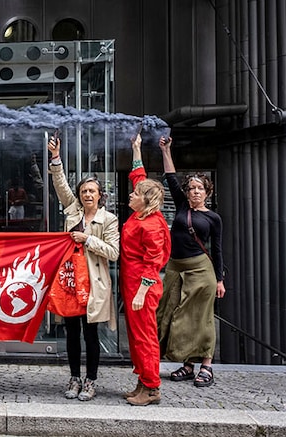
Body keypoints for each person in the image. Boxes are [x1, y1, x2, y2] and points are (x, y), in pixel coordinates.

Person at [47, 137, 119, 401]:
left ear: (100, 195)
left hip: (93, 283)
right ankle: (74, 377)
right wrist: (56, 157)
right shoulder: (72, 210)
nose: (87, 195)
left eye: (92, 191)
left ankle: (91, 380)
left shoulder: (108, 219)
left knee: (91, 334)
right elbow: (60, 184)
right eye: (84, 191)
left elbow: (114, 252)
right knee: (72, 333)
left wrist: (88, 240)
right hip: (70, 281)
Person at [157, 136, 225, 387]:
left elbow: (216, 250)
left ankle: (206, 365)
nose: (195, 192)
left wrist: (219, 279)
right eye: (192, 188)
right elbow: (171, 178)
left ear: (208, 192)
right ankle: (187, 364)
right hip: (176, 267)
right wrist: (166, 150)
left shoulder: (213, 218)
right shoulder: (182, 205)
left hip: (200, 270)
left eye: (200, 189)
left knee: (202, 317)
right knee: (173, 313)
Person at [120, 134, 171, 406]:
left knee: (145, 337)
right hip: (132, 284)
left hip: (142, 288)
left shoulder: (151, 226)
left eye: (136, 194)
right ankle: (142, 382)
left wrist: (142, 291)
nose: (132, 193)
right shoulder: (143, 211)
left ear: (146, 201)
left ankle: (152, 388)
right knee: (136, 336)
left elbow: (153, 263)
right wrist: (136, 148)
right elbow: (139, 176)